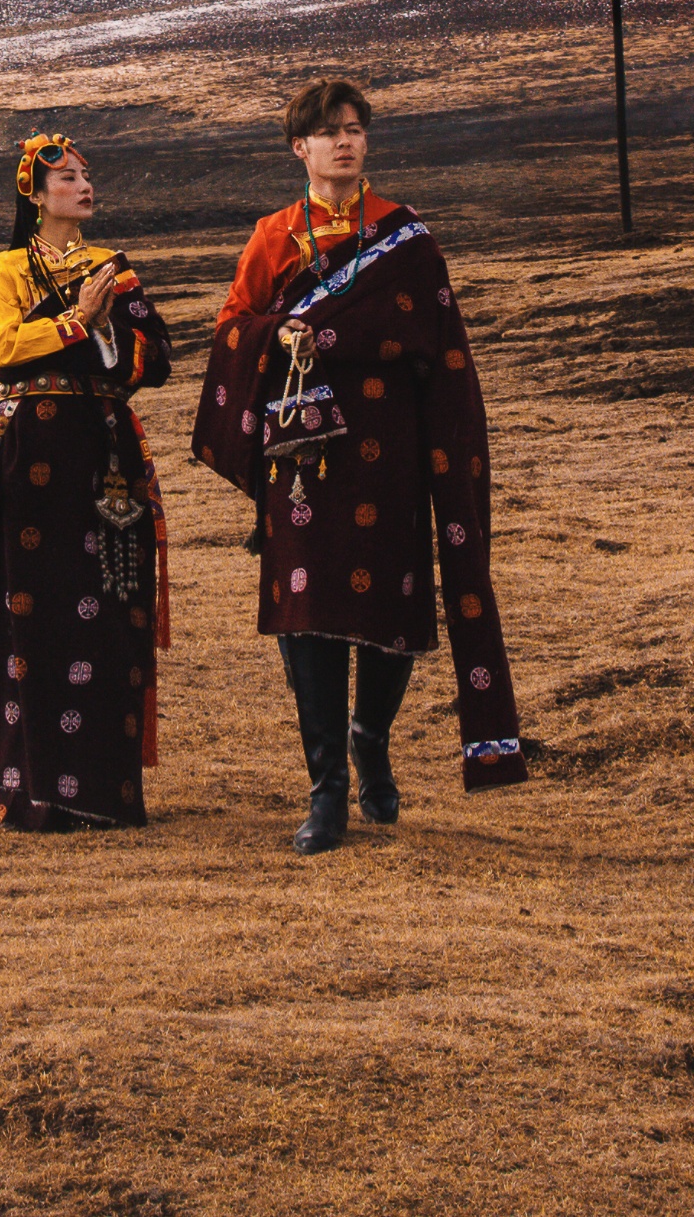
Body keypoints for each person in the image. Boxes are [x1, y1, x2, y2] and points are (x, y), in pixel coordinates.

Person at [193, 79, 525, 853]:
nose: (344, 141)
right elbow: (232, 328)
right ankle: (327, 790)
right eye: (327, 131)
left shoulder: (407, 238)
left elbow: (444, 351)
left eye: (355, 129)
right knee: (306, 610)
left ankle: (370, 734)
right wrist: (277, 336)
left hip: (394, 450)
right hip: (303, 455)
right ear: (299, 148)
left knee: (394, 608)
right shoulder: (273, 237)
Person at [0, 132, 174, 830]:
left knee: (108, 609)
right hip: (29, 455)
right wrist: (79, 321)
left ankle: (105, 794)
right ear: (34, 192)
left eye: (88, 176)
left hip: (102, 454)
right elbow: (4, 348)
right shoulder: (4, 268)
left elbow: (156, 356)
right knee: (31, 610)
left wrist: (110, 333)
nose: (84, 187)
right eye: (67, 178)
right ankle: (29, 790)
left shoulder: (114, 267)